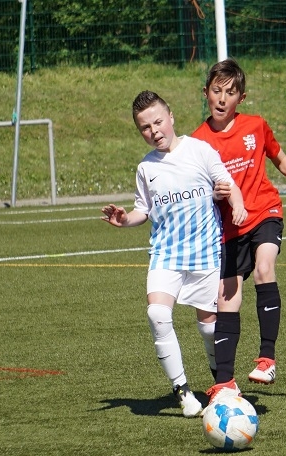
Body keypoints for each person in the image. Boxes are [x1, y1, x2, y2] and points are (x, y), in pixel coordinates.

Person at [101, 90, 247, 418]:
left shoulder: (200, 150)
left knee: (209, 328)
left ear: (171, 117)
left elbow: (227, 184)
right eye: (145, 127)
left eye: (158, 122)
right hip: (166, 254)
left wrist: (236, 203)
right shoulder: (146, 167)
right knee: (157, 314)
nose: (154, 131)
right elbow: (143, 210)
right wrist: (125, 220)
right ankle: (182, 391)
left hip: (205, 254)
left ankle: (222, 382)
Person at [191, 59, 286, 402]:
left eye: (230, 93)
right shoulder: (197, 142)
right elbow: (197, 190)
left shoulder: (256, 126)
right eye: (216, 91)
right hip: (229, 228)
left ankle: (267, 359)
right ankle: (225, 381)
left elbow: (278, 156)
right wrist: (214, 193)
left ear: (241, 98)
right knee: (226, 298)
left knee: (265, 267)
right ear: (206, 93)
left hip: (264, 211)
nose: (222, 99)